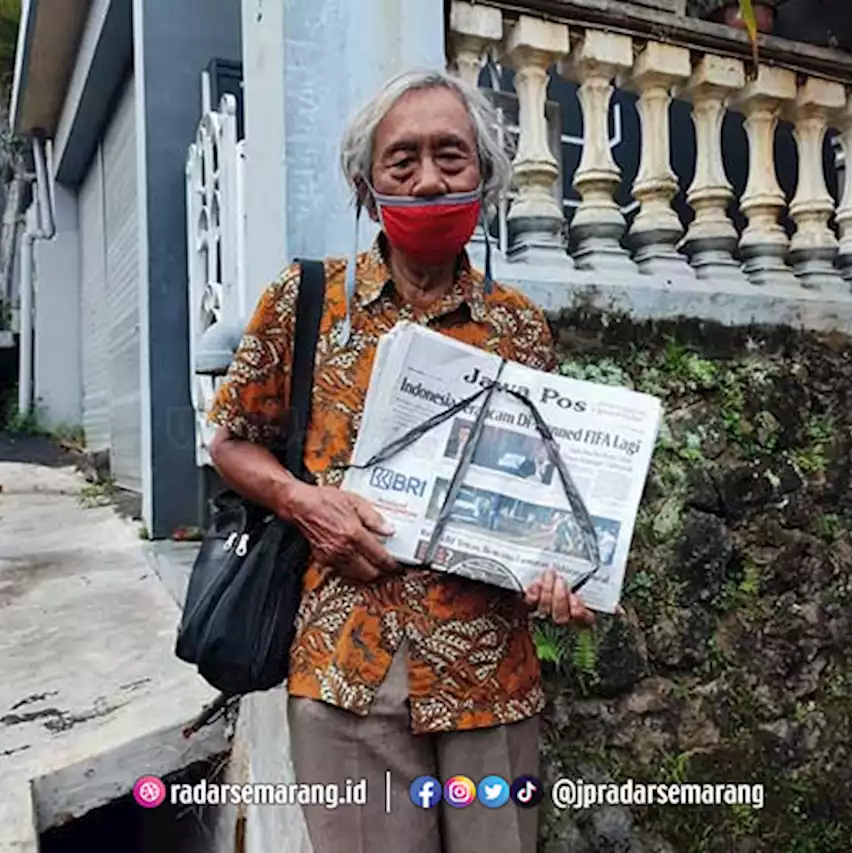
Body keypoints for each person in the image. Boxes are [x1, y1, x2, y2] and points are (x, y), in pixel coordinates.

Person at [206, 69, 593, 853]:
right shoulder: (306, 301)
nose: (427, 177)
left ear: (484, 177)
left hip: (488, 674)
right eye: (402, 159)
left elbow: (547, 490)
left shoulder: (520, 330)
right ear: (365, 182)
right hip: (348, 670)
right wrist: (303, 501)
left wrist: (563, 570)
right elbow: (229, 438)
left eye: (451, 156)